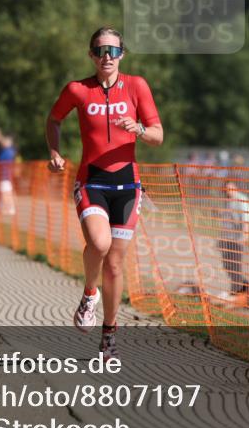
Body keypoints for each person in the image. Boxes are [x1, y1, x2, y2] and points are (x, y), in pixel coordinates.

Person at [46, 26, 164, 358]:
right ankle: (89, 293)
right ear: (91, 55)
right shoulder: (77, 90)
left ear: (122, 54)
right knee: (99, 243)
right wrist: (55, 153)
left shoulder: (137, 86)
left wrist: (139, 129)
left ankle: (109, 333)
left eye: (113, 50)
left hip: (127, 184)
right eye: (100, 51)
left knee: (114, 264)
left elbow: (158, 134)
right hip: (92, 180)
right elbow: (53, 120)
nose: (107, 57)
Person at [218, 181, 249, 306]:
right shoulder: (228, 201)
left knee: (235, 268)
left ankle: (234, 295)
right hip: (226, 239)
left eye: (230, 188)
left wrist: (245, 236)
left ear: (235, 188)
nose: (228, 191)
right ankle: (248, 288)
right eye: (226, 188)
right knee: (227, 266)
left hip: (237, 240)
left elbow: (246, 219)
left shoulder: (242, 200)